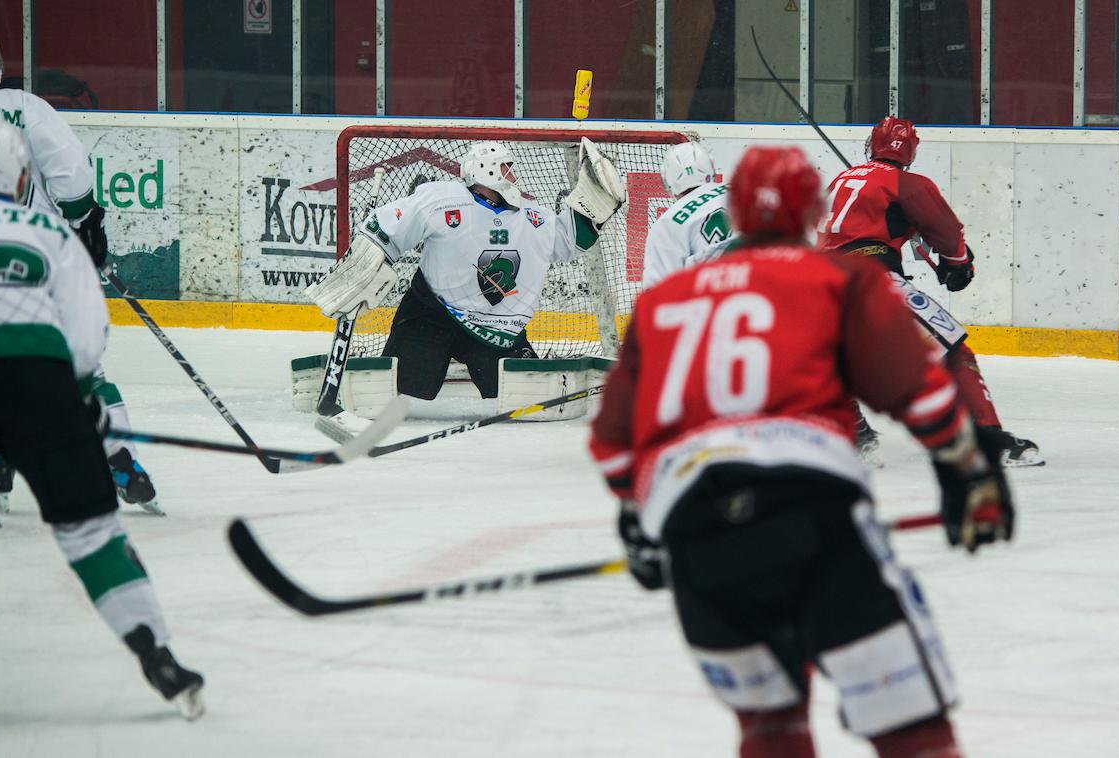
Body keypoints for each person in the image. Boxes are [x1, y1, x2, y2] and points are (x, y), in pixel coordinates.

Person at [589, 145, 1014, 757]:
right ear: (809, 213)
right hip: (814, 516)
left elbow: (613, 439)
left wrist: (637, 518)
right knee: (914, 729)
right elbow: (919, 392)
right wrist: (967, 474)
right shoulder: (832, 281)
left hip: (698, 531)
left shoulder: (663, 306)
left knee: (771, 730)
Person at [0, 121, 203, 717]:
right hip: (38, 386)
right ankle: (158, 657)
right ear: (22, 177)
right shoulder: (47, 230)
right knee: (91, 532)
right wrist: (78, 399)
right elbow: (86, 342)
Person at [0, 26, 160, 510]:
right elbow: (70, 172)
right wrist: (86, 224)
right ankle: (122, 459)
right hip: (38, 257)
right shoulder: (21, 105)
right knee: (78, 365)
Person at [305, 138, 627, 405]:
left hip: (497, 329)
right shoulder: (444, 201)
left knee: (529, 404)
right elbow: (388, 225)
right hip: (433, 316)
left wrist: (595, 207)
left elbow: (571, 239)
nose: (512, 175)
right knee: (396, 396)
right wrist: (368, 258)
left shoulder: (532, 217)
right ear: (486, 171)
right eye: (505, 167)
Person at [817, 116, 1042, 467]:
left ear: (870, 145)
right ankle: (988, 441)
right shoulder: (908, 184)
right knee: (953, 352)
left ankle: (853, 436)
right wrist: (957, 266)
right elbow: (949, 236)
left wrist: (902, 227)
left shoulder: (842, 180)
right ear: (911, 152)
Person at [641, 141, 733, 289]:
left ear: (668, 180)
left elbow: (658, 293)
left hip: (718, 299)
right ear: (710, 168)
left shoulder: (668, 222)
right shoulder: (740, 189)